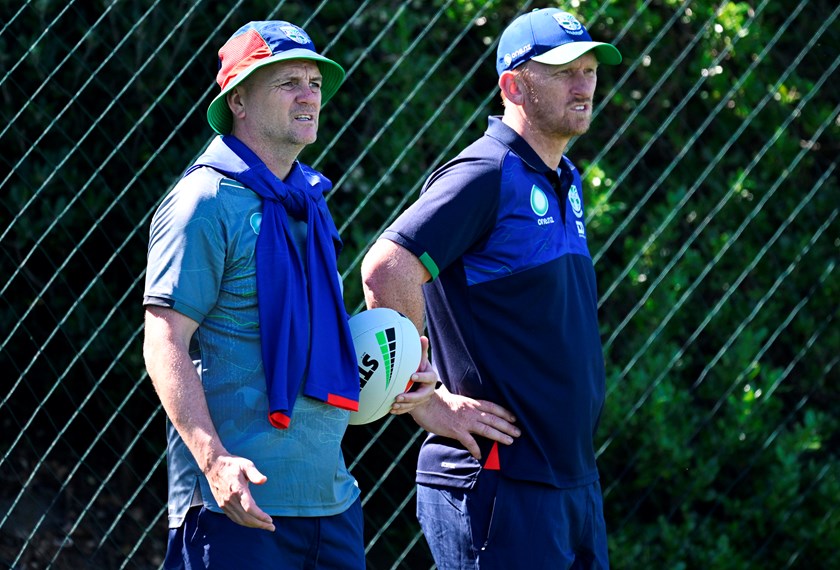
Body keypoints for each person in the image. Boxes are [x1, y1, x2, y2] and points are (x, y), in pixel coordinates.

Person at [143, 20, 436, 569]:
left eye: (315, 82)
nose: (309, 95)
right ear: (239, 100)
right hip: (234, 505)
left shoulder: (309, 200)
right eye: (287, 83)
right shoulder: (202, 202)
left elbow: (310, 336)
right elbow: (164, 343)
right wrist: (214, 462)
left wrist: (397, 371)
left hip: (332, 503)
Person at [361, 8, 622, 569]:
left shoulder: (564, 178)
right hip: (500, 483)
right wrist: (425, 399)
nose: (584, 86)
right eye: (563, 72)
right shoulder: (484, 173)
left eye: (591, 70)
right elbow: (387, 268)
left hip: (572, 483)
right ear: (512, 85)